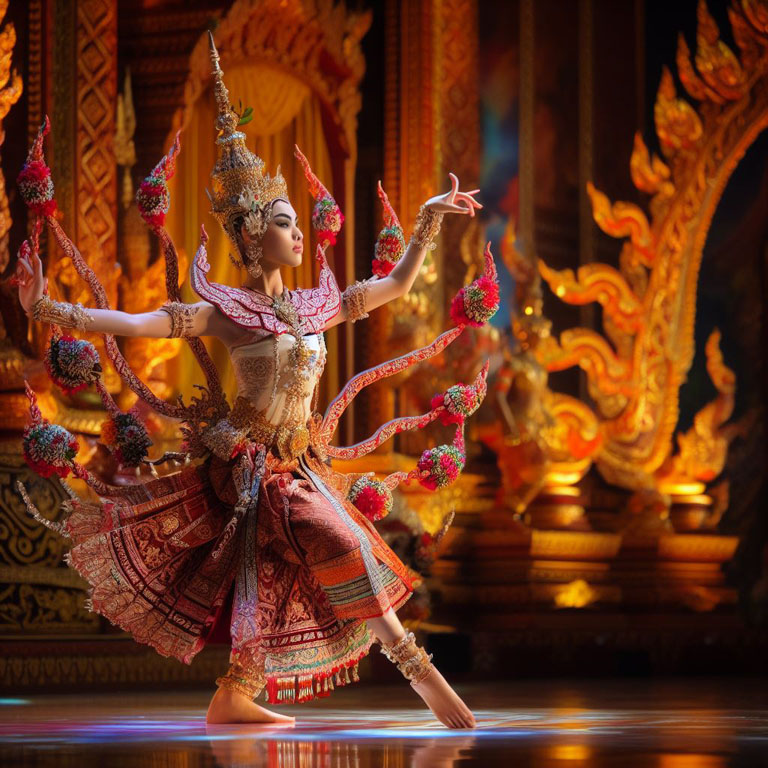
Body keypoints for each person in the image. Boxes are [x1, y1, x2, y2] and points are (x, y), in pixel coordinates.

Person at [15, 33, 491, 730]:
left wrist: (424, 221)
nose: (299, 234)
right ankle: (432, 688)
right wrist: (49, 309)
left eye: (298, 224)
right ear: (251, 235)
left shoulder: (317, 303)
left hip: (302, 462)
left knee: (270, 578)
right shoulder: (226, 311)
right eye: (286, 223)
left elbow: (393, 284)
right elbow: (136, 321)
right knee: (345, 543)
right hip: (247, 467)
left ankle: (233, 694)